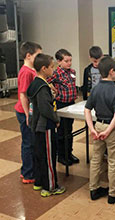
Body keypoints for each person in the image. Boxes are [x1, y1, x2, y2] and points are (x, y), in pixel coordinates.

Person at [84, 56, 115, 204]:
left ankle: (93, 189)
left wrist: (92, 129)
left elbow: (87, 110)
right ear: (111, 71)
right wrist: (108, 131)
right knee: (113, 161)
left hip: (98, 126)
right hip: (111, 129)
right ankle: (113, 194)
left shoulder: (96, 89)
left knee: (96, 159)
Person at [27, 53, 66, 197]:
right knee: (49, 157)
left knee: (40, 155)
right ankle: (50, 186)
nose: (53, 70)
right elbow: (45, 108)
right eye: (51, 67)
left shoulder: (35, 83)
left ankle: (39, 182)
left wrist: (51, 95)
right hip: (45, 126)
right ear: (44, 68)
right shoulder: (43, 86)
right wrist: (56, 119)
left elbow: (40, 103)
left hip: (36, 125)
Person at [15, 41, 42, 184]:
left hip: (30, 111)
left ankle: (26, 168)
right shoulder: (25, 72)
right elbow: (23, 95)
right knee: (28, 143)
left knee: (30, 141)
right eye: (38, 55)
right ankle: (28, 174)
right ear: (28, 55)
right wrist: (27, 115)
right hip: (24, 111)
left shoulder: (32, 70)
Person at [47, 49, 79, 166]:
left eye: (70, 60)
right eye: (66, 61)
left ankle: (69, 153)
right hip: (61, 104)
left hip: (71, 103)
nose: (69, 63)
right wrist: (53, 88)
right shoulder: (55, 73)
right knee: (61, 131)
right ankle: (61, 155)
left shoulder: (73, 71)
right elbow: (45, 81)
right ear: (59, 62)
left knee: (69, 130)